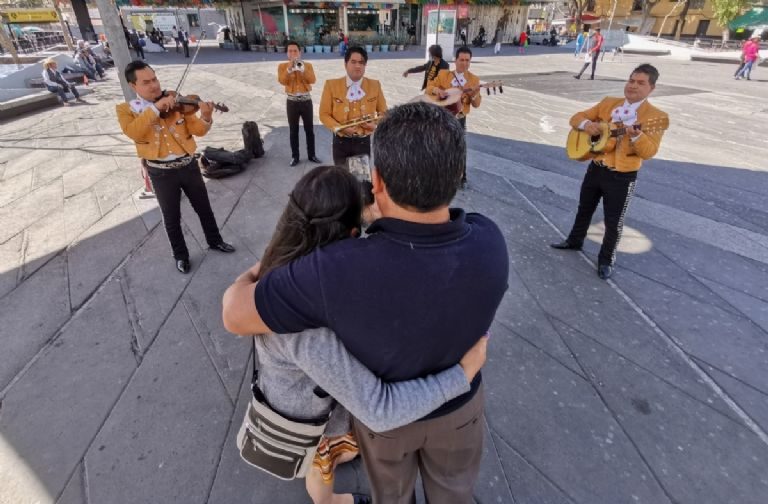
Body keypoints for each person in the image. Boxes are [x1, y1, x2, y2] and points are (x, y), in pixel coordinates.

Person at [222, 102, 509, 503]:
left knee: (391, 494)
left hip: (387, 429)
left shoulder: (331, 270)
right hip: (461, 411)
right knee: (455, 492)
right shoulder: (490, 242)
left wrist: (261, 265)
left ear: (376, 181)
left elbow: (235, 313)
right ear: (458, 175)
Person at [116, 61, 235, 274]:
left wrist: (206, 115)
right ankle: (180, 255)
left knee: (204, 208)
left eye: (155, 79)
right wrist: (155, 108)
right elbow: (134, 132)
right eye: (146, 82)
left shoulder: (176, 102)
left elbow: (198, 130)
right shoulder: (127, 110)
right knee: (171, 217)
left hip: (188, 166)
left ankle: (215, 241)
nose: (154, 86)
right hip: (160, 173)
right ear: (133, 86)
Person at [551, 64, 669, 280]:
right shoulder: (608, 103)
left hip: (622, 175)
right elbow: (576, 118)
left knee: (613, 221)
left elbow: (649, 151)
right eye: (631, 80)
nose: (633, 86)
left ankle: (606, 260)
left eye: (640, 83)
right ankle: (574, 240)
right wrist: (588, 125)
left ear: (651, 88)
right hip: (596, 167)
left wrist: (635, 136)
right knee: (584, 208)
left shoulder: (655, 117)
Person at [319, 46, 387, 166]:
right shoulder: (331, 85)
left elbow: (384, 113)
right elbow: (324, 114)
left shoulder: (374, 85)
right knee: (342, 180)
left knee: (361, 181)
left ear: (365, 65)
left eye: (361, 62)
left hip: (363, 142)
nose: (357, 66)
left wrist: (375, 126)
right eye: (353, 62)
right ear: (345, 64)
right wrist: (340, 128)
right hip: (340, 142)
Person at [426, 46, 482, 187]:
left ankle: (461, 177)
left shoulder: (474, 80)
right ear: (455, 60)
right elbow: (429, 87)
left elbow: (476, 104)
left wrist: (473, 94)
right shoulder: (444, 75)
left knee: (459, 148)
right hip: (443, 117)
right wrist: (437, 90)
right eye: (461, 60)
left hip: (459, 118)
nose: (464, 63)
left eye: (467, 60)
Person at [278, 41, 321, 166]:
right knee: (293, 131)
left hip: (306, 101)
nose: (293, 53)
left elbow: (312, 80)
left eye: (295, 51)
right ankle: (295, 157)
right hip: (291, 102)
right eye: (290, 51)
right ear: (287, 53)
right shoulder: (282, 66)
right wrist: (289, 70)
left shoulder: (307, 65)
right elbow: (282, 81)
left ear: (300, 52)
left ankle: (312, 155)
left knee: (309, 130)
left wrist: (302, 70)